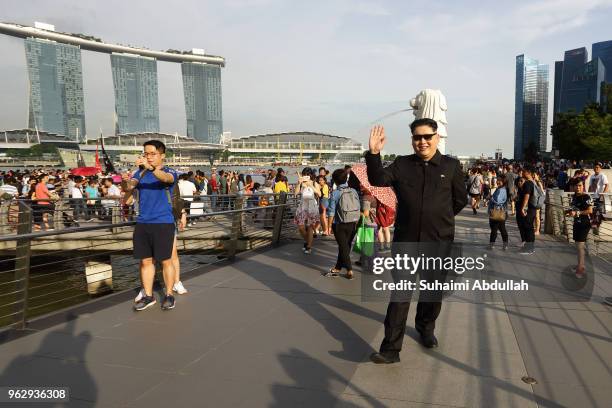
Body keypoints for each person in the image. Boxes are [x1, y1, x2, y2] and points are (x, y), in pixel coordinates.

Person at [366, 118, 467, 363]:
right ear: (412, 139)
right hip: (406, 241)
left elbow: (460, 199)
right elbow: (378, 181)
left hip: (438, 241)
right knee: (401, 294)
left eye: (427, 137)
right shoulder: (402, 164)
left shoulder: (451, 166)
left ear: (437, 137)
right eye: (417, 137)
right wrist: (374, 153)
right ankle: (390, 350)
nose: (422, 142)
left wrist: (439, 219)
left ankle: (425, 327)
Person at [121, 140, 179, 311]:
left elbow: (166, 179)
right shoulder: (139, 173)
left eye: (153, 154)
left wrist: (151, 168)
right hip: (143, 222)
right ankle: (148, 296)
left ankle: (169, 294)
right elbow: (129, 188)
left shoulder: (170, 172)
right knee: (145, 261)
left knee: (166, 261)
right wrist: (125, 181)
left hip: (163, 222)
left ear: (162, 155)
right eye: (146, 153)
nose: (149, 157)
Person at [325, 168, 360, 279]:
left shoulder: (335, 193)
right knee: (345, 246)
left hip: (339, 223)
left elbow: (331, 211)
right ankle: (338, 268)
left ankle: (349, 270)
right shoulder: (353, 191)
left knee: (343, 246)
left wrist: (329, 226)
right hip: (353, 222)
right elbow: (358, 206)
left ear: (335, 181)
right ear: (346, 179)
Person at [565, 178, 593, 278]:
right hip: (577, 222)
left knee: (580, 246)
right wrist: (569, 212)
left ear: (583, 186)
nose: (578, 187)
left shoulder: (586, 197)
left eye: (580, 185)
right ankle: (580, 265)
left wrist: (577, 213)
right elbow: (574, 209)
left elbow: (590, 211)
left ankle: (580, 269)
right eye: (576, 186)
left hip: (584, 224)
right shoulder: (574, 197)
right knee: (578, 246)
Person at [293, 168, 320, 254]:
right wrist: (299, 183)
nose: (305, 176)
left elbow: (319, 194)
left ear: (311, 175)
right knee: (301, 227)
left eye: (307, 175)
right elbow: (295, 193)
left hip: (312, 206)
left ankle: (308, 246)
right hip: (302, 206)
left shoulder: (315, 183)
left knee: (310, 227)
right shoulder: (301, 183)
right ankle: (308, 241)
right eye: (304, 174)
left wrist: (310, 185)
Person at [516, 167, 537, 255]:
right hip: (531, 209)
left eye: (524, 172)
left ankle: (529, 249)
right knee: (529, 228)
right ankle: (528, 247)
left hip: (528, 209)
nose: (522, 174)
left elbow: (527, 196)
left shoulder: (528, 183)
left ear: (528, 173)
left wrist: (522, 208)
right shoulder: (533, 182)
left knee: (528, 228)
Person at [488, 175, 509, 250]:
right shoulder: (500, 189)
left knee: (494, 229)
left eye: (500, 180)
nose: (498, 181)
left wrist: (491, 198)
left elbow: (498, 201)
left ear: (503, 182)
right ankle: (505, 244)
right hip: (499, 211)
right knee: (502, 228)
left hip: (498, 212)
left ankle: (492, 244)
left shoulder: (501, 190)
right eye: (498, 180)